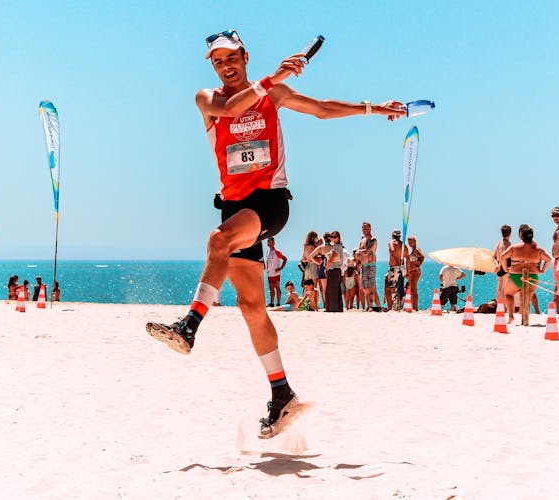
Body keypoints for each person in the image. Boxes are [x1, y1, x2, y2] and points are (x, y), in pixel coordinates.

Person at [145, 29, 404, 439]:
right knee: (251, 306)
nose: (226, 65)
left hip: (269, 204)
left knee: (217, 240)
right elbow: (231, 109)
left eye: (232, 57)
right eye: (218, 61)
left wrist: (373, 108)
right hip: (235, 208)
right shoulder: (207, 99)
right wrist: (271, 78)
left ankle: (189, 326)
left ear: (245, 56)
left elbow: (322, 109)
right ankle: (282, 393)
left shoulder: (273, 94)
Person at [500, 225, 552, 324]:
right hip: (532, 276)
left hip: (515, 275)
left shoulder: (514, 247)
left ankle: (511, 316)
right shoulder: (538, 249)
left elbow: (503, 257)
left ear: (521, 236)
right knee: (525, 298)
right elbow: (548, 259)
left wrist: (506, 269)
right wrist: (542, 270)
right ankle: (524, 319)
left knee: (508, 294)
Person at [313, 230, 347, 312]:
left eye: (335, 237)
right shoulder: (338, 246)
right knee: (336, 290)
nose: (333, 239)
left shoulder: (336, 247)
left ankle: (331, 308)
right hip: (336, 270)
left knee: (330, 290)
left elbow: (332, 258)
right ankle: (337, 308)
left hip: (333, 270)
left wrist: (326, 268)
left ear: (339, 237)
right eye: (332, 237)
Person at [358, 222, 382, 312]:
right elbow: (358, 253)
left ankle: (375, 306)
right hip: (364, 266)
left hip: (371, 265)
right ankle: (370, 307)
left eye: (367, 229)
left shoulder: (373, 239)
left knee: (371, 287)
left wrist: (359, 252)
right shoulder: (362, 240)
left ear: (370, 229)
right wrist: (359, 253)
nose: (365, 231)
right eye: (363, 229)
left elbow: (366, 251)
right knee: (365, 288)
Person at [384, 229, 408, 311]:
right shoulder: (403, 245)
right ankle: (397, 305)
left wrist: (397, 260)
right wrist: (406, 269)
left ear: (392, 235)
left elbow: (392, 250)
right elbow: (407, 257)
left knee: (388, 287)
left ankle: (390, 307)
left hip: (394, 267)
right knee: (399, 287)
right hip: (402, 268)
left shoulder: (392, 242)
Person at [264, 237, 287, 307]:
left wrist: (281, 268)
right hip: (270, 273)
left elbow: (285, 259)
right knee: (271, 288)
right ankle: (271, 303)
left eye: (270, 241)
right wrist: (267, 268)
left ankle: (278, 303)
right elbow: (267, 261)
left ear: (274, 243)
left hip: (276, 273)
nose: (268, 243)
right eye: (268, 242)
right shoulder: (267, 251)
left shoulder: (277, 251)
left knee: (277, 287)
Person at [406, 235, 425, 311]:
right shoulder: (414, 249)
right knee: (412, 290)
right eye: (409, 242)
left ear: (415, 242)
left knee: (414, 290)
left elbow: (422, 257)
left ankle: (415, 308)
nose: (410, 243)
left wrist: (418, 265)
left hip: (415, 272)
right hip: (412, 271)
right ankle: (413, 306)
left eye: (411, 242)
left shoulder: (416, 250)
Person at [493, 225, 512, 297]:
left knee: (500, 288)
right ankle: (503, 307)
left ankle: (499, 305)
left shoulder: (499, 244)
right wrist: (501, 266)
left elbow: (494, 256)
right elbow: (503, 256)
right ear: (510, 233)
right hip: (505, 267)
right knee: (505, 289)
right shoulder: (508, 244)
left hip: (500, 267)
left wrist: (497, 265)